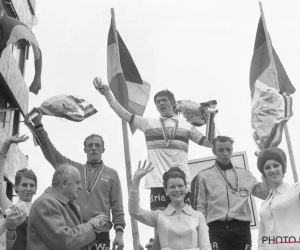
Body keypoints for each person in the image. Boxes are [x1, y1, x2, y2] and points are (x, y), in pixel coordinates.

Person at [98, 86, 212, 210]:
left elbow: (210, 143)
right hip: (158, 182)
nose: (161, 103)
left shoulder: (186, 126)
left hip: (182, 182)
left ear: (173, 103)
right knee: (160, 224)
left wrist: (211, 118)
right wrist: (106, 93)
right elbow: (124, 114)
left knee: (183, 225)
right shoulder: (148, 124)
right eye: (158, 102)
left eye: (164, 100)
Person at [32, 114, 125, 250]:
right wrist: (39, 126)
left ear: (103, 150)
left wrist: (119, 233)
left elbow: (118, 207)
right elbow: (51, 153)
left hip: (101, 231)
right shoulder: (73, 169)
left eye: (97, 145)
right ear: (85, 149)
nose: (94, 148)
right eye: (90, 145)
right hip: (76, 229)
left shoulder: (112, 174)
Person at [194, 136, 270, 250]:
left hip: (241, 227)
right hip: (216, 228)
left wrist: (265, 172)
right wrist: (202, 231)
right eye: (220, 150)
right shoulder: (204, 176)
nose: (225, 153)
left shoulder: (245, 174)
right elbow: (201, 206)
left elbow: (264, 194)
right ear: (214, 151)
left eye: (228, 149)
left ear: (232, 150)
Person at [129, 161, 211, 250]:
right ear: (166, 190)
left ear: (186, 188)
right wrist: (136, 180)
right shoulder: (158, 216)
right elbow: (134, 211)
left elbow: (205, 247)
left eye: (180, 186)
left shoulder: (198, 217)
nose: (177, 189)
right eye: (172, 187)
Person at [27, 164, 108, 250]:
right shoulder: (45, 203)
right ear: (64, 183)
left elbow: (73, 244)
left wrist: (94, 230)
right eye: (77, 182)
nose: (80, 187)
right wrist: (91, 226)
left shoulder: (61, 205)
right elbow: (64, 241)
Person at [257, 147, 300, 250]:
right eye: (267, 167)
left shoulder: (296, 191)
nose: (272, 170)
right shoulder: (264, 205)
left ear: (283, 168)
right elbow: (262, 239)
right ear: (263, 172)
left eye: (276, 165)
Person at [0, 134, 34, 250]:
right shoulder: (10, 208)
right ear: (16, 188)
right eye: (24, 185)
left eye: (32, 185)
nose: (28, 188)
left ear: (35, 189)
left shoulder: (41, 210)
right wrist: (6, 144)